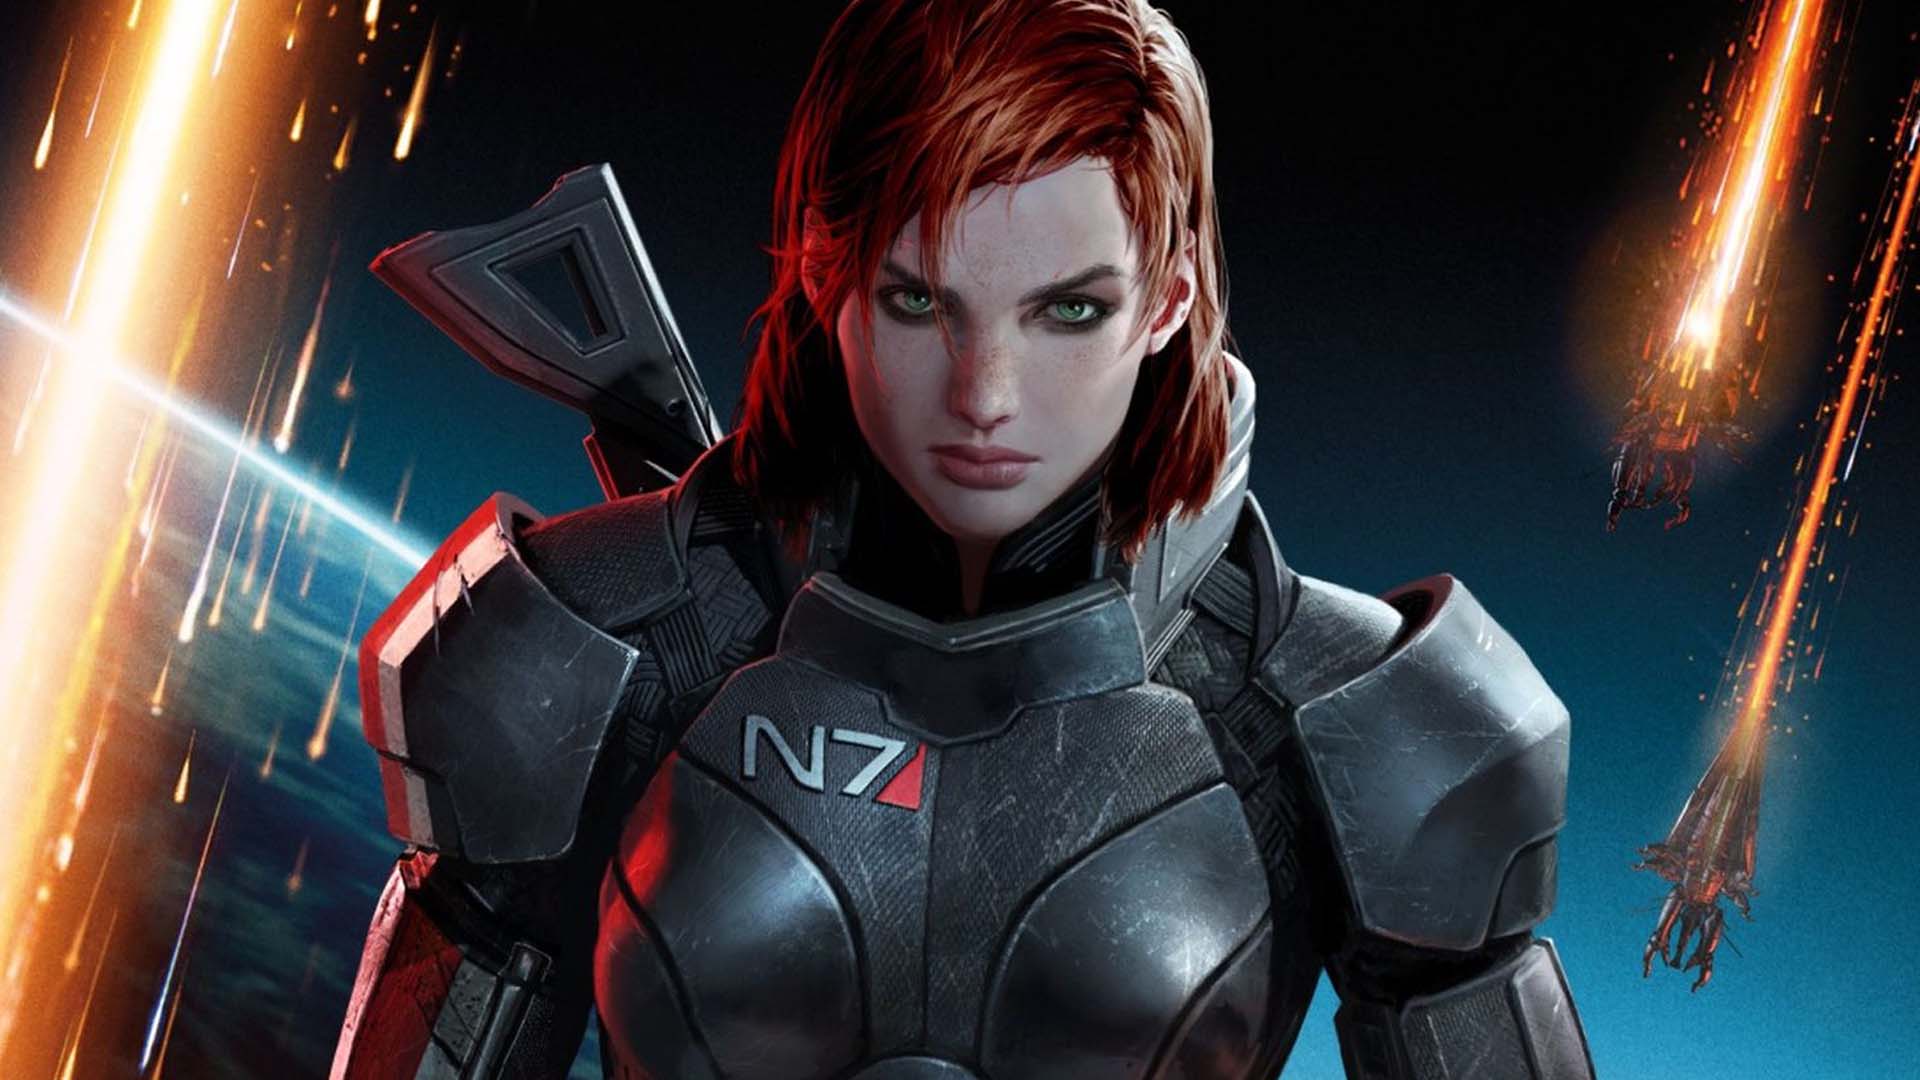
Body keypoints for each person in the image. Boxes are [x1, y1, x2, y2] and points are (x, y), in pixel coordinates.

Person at [332, 2, 1595, 1077]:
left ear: (1168, 301)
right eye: (919, 298)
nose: (986, 395)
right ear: (824, 266)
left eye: (1068, 311)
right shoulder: (596, 641)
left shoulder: (1348, 715)